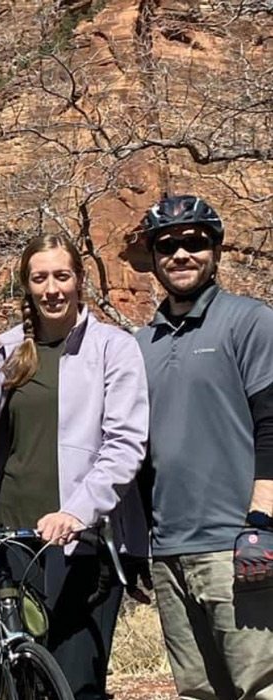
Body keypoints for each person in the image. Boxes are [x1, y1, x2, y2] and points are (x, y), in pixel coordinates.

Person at [0, 233, 149, 700]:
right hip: (12, 540)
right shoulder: (8, 353)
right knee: (16, 679)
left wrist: (77, 511)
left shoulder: (114, 348)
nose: (52, 289)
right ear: (26, 285)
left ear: (79, 280)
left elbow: (125, 444)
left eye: (61, 276)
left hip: (86, 543)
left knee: (76, 679)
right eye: (39, 278)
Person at [134, 195, 273, 700]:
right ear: (152, 257)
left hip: (237, 544)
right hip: (168, 551)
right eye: (167, 245)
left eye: (195, 242)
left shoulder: (249, 321)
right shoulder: (138, 344)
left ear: (215, 249)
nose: (181, 255)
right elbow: (136, 452)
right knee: (196, 691)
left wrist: (262, 520)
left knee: (260, 685)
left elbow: (271, 424)